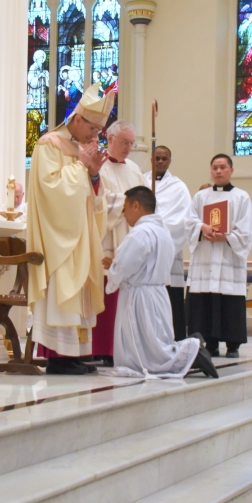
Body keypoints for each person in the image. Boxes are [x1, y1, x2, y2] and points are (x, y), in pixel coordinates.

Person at [27, 82, 112, 375]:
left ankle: (74, 354)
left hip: (81, 234)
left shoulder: (81, 149)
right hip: (58, 236)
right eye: (92, 129)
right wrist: (82, 169)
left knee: (81, 290)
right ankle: (57, 357)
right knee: (64, 286)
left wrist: (94, 175)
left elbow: (92, 195)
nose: (95, 136)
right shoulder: (49, 144)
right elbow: (50, 189)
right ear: (77, 119)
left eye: (99, 132)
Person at [104, 186, 216, 379]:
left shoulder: (140, 233)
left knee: (145, 353)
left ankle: (191, 351)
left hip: (139, 297)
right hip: (157, 293)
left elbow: (125, 266)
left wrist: (114, 271)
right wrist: (117, 263)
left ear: (136, 206)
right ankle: (189, 352)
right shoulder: (162, 232)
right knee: (155, 342)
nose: (123, 213)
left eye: (126, 207)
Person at [186, 154, 252, 358]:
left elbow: (246, 229)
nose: (218, 171)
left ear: (231, 170)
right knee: (206, 301)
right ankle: (211, 344)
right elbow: (189, 221)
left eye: (223, 167)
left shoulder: (241, 197)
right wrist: (202, 227)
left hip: (227, 256)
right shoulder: (201, 197)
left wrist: (227, 236)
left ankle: (233, 345)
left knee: (229, 299)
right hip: (205, 255)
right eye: (214, 167)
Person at [93, 120, 143, 365]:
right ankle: (103, 348)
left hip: (131, 236)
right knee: (106, 294)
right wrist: (125, 203)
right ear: (110, 139)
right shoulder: (98, 167)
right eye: (124, 142)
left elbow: (143, 201)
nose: (128, 148)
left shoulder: (134, 169)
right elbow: (97, 200)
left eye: (131, 143)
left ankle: (123, 347)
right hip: (108, 236)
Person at [143, 146, 191, 341]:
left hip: (168, 250)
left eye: (164, 158)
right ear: (151, 159)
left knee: (171, 299)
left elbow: (183, 219)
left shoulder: (178, 187)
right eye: (157, 158)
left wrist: (157, 229)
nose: (161, 161)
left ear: (170, 161)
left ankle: (174, 339)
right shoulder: (140, 181)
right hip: (144, 249)